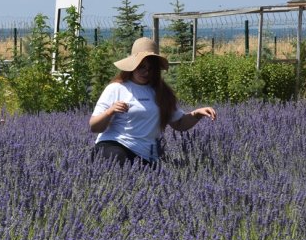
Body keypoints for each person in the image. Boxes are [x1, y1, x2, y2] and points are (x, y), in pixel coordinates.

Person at [90, 37, 216, 166]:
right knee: (116, 159)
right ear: (133, 66)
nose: (146, 72)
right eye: (141, 67)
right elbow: (94, 126)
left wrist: (197, 114)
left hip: (146, 154)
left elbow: (179, 123)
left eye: (151, 68)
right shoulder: (116, 88)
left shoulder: (161, 93)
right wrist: (109, 112)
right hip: (114, 145)